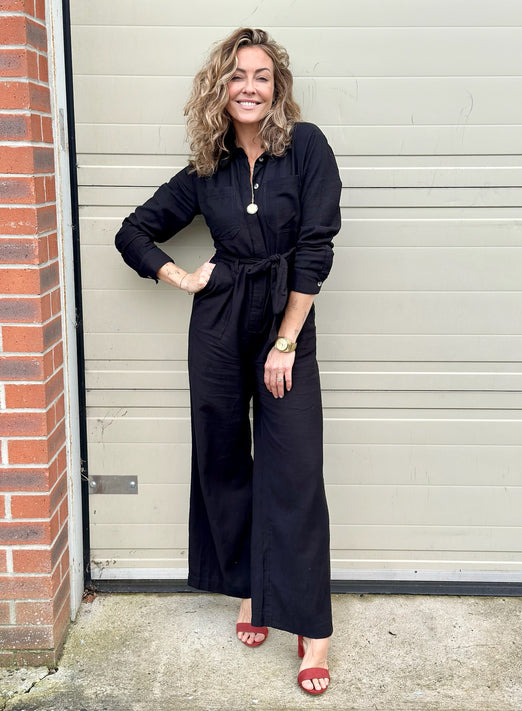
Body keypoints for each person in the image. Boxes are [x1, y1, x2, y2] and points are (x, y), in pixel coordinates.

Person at [115, 27, 342, 695]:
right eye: (237, 75)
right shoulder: (206, 168)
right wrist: (183, 278)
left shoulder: (306, 147)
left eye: (261, 76)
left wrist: (285, 341)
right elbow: (133, 232)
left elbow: (316, 246)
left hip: (282, 319)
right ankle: (251, 590)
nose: (249, 86)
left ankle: (313, 630)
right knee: (223, 459)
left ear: (277, 89)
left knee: (294, 470)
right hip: (218, 324)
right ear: (220, 88)